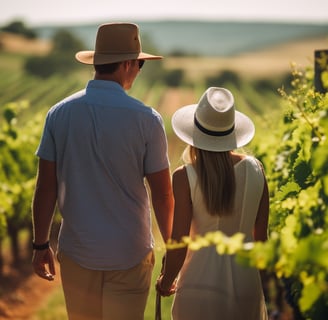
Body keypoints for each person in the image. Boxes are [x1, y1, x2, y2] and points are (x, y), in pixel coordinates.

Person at [31, 22, 174, 320]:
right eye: (139, 65)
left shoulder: (58, 114)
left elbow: (46, 186)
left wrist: (41, 243)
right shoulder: (147, 120)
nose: (138, 71)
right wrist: (173, 250)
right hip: (130, 253)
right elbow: (163, 193)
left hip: (78, 251)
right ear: (126, 64)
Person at [156, 87, 269, 320]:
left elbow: (180, 243)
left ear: (195, 133)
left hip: (199, 284)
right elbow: (261, 241)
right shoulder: (256, 170)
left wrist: (166, 282)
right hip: (246, 282)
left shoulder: (185, 176)